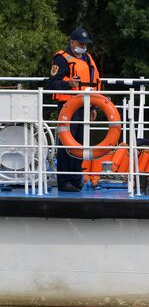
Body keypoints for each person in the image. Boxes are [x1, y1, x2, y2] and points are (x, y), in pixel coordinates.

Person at [46, 27, 100, 192]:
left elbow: (93, 84)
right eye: (80, 43)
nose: (83, 46)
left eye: (85, 43)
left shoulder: (88, 59)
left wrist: (93, 106)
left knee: (80, 144)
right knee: (67, 144)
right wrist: (68, 84)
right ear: (72, 42)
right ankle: (65, 181)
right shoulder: (61, 59)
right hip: (68, 108)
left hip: (85, 105)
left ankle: (76, 178)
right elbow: (52, 83)